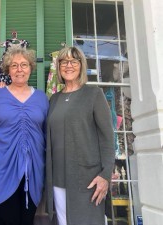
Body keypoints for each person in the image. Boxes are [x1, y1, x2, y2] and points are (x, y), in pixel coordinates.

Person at [0, 45, 49, 225]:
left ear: (31, 68)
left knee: (27, 220)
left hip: (32, 171)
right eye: (14, 65)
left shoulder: (42, 98)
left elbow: (45, 131)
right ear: (8, 70)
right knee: (5, 220)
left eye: (24, 65)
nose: (19, 69)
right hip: (1, 168)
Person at [46, 46, 115, 225]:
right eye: (64, 61)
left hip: (88, 180)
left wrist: (105, 174)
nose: (69, 65)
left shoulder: (94, 94)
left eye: (74, 61)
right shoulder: (54, 99)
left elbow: (107, 138)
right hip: (58, 179)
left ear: (81, 65)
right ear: (59, 66)